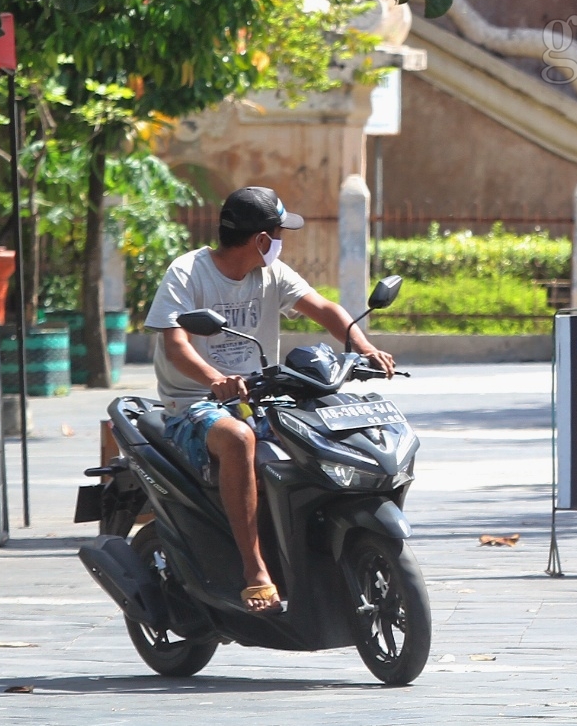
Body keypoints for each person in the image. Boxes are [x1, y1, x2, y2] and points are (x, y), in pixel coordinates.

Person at [145, 186, 397, 615]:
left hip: (262, 396)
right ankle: (255, 570)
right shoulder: (188, 272)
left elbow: (325, 308)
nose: (283, 241)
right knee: (238, 439)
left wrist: (363, 347)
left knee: (324, 429)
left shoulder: (273, 273)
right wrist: (215, 379)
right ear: (262, 239)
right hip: (194, 403)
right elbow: (176, 345)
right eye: (280, 232)